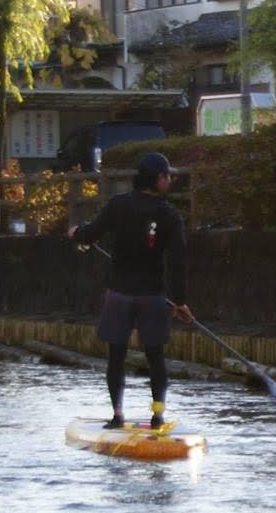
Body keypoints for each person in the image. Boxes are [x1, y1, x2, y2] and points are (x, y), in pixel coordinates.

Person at [71, 152, 193, 430]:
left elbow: (92, 233)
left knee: (116, 356)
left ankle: (117, 415)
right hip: (153, 295)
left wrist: (76, 233)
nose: (170, 180)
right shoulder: (169, 215)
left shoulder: (118, 205)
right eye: (168, 176)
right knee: (155, 357)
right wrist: (180, 300)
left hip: (120, 294)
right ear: (159, 179)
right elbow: (178, 261)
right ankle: (158, 416)